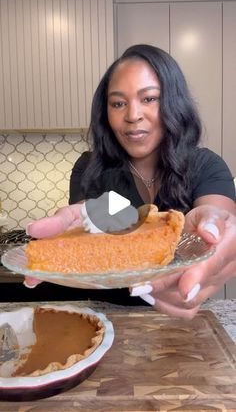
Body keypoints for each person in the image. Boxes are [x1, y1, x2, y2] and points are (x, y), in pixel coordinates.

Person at [25, 44, 236, 318]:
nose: (132, 115)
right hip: (109, 319)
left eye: (149, 99)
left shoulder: (206, 165)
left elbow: (220, 218)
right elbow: (89, 213)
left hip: (190, 319)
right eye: (118, 103)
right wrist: (84, 230)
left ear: (174, 103)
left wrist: (217, 227)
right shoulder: (91, 167)